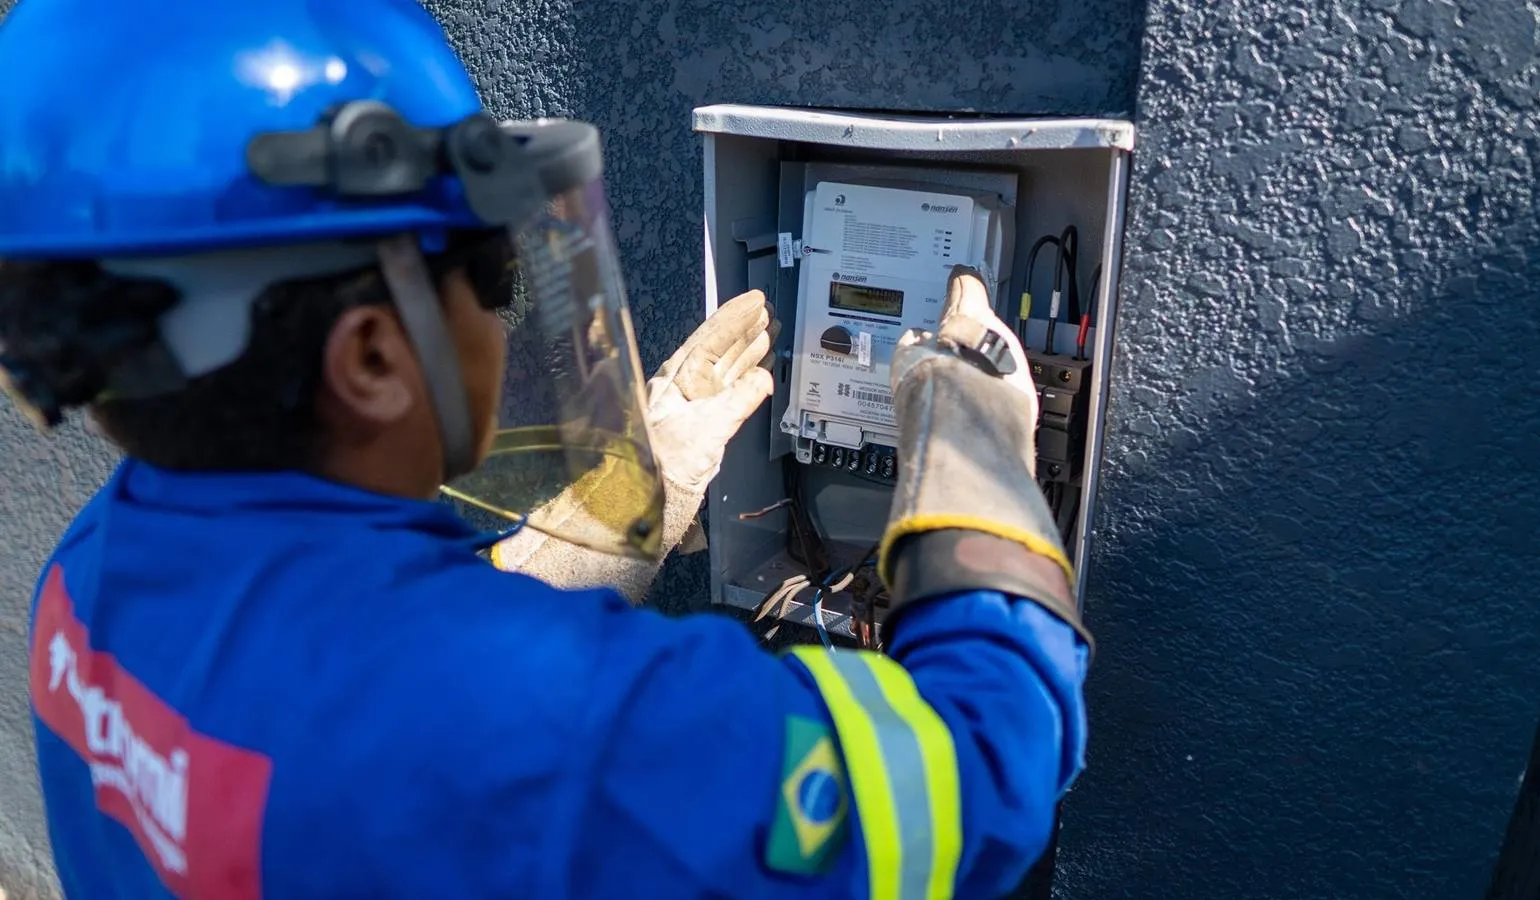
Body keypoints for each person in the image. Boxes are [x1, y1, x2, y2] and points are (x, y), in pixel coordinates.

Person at [0, 1, 1095, 898]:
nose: (506, 323)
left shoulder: (84, 582)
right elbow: (981, 773)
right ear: (375, 355)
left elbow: (342, 693)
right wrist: (973, 463)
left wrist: (615, 510)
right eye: (493, 280)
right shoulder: (531, 728)